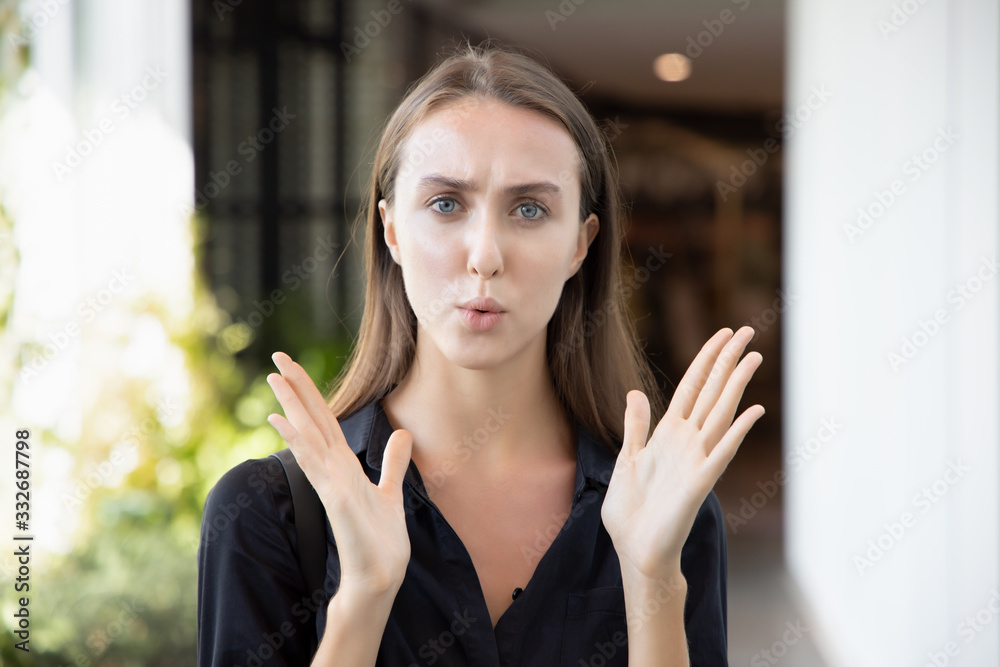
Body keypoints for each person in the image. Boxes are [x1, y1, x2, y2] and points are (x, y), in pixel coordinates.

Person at [197, 39, 764, 667]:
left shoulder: (664, 505)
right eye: (445, 204)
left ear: (581, 244)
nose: (485, 255)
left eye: (529, 209)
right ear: (391, 231)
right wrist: (363, 597)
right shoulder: (267, 516)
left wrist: (653, 578)